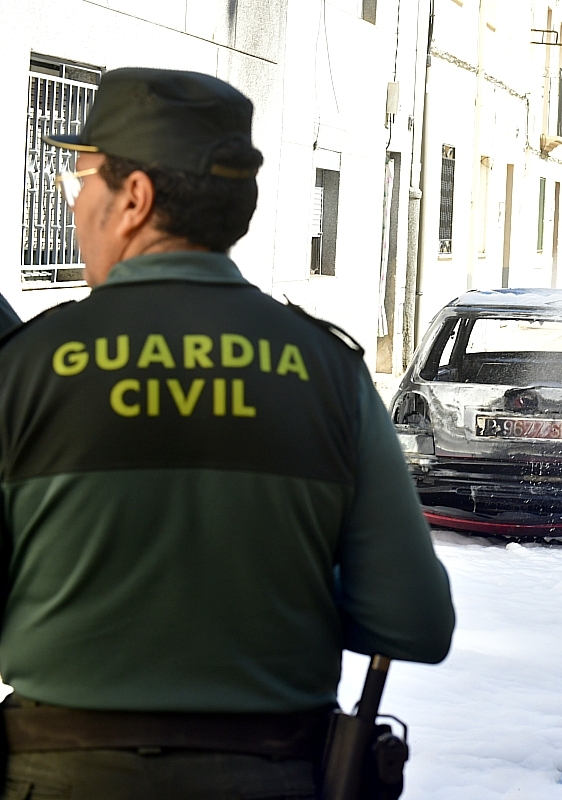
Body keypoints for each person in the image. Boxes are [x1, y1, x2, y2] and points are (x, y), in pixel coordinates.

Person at [0, 67, 456, 798]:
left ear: (135, 199)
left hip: (59, 775)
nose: (77, 199)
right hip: (270, 776)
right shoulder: (329, 374)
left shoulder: (26, 368)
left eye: (82, 178)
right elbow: (415, 623)